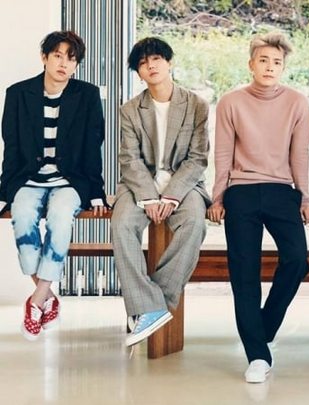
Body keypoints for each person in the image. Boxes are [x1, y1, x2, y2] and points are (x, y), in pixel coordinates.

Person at [209, 32, 309, 384]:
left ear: (283, 67)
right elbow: (223, 153)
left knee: (297, 259)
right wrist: (218, 196)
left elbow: (299, 154)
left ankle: (264, 324)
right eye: (264, 60)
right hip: (240, 192)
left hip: (281, 191)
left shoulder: (297, 103)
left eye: (277, 62)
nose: (270, 67)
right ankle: (257, 355)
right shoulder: (231, 102)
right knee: (244, 272)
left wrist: (305, 196)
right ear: (251, 64)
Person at [0, 31, 107, 341]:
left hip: (70, 180)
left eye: (71, 59)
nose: (64, 64)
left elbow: (93, 146)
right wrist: (5, 191)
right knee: (22, 215)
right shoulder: (18, 93)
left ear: (76, 65)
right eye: (58, 56)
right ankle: (48, 297)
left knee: (61, 217)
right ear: (44, 57)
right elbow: (12, 147)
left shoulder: (86, 95)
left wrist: (96, 192)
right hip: (29, 177)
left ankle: (37, 299)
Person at [112, 37, 210, 347]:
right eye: (143, 63)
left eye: (156, 59)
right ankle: (151, 305)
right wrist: (149, 197)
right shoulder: (130, 110)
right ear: (138, 73)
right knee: (121, 224)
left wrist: (171, 195)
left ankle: (151, 304)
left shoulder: (196, 105)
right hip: (140, 184)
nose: (151, 66)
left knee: (194, 222)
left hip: (184, 183)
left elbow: (198, 158)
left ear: (169, 63)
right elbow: (129, 159)